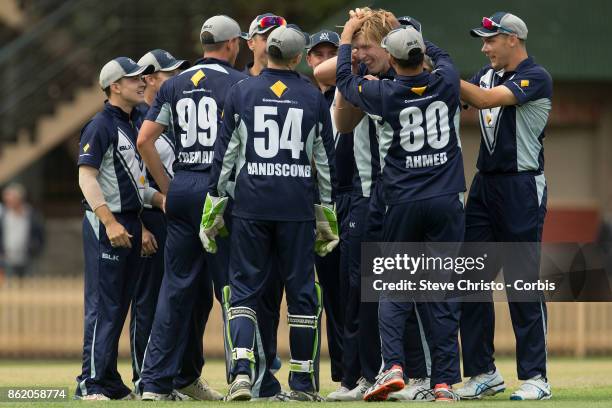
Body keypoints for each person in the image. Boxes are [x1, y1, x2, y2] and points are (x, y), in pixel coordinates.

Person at [201, 25, 337, 402]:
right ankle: (304, 383)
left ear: (269, 53)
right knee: (302, 293)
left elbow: (224, 156)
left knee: (243, 290)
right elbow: (324, 163)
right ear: (297, 58)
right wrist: (327, 216)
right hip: (296, 208)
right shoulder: (312, 96)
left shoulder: (241, 92)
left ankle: (241, 375)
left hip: (250, 207)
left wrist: (213, 208)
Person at [336, 15, 467, 402]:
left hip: (402, 202)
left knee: (395, 288)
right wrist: (421, 42)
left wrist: (347, 38)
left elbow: (343, 78)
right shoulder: (445, 81)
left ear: (391, 61)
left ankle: (392, 365)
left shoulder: (384, 94)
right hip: (446, 201)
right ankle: (443, 382)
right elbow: (442, 57)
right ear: (421, 55)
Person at [315, 8, 432, 402]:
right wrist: (350, 41)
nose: (358, 54)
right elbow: (326, 84)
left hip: (404, 196)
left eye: (367, 47)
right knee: (359, 293)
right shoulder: (359, 77)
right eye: (357, 47)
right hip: (365, 198)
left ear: (388, 46)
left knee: (403, 289)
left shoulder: (411, 75)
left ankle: (421, 376)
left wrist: (364, 35)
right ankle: (364, 376)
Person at [136, 15, 245, 401]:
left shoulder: (176, 84)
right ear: (232, 45)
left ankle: (154, 384)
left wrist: (169, 185)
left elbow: (145, 139)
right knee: (233, 288)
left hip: (182, 188)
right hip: (219, 190)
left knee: (175, 287)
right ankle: (243, 380)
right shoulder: (238, 83)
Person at [457, 12, 553, 401]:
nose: (484, 47)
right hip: (483, 186)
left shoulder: (536, 75)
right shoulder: (484, 73)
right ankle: (483, 373)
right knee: (468, 281)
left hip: (522, 186)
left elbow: (482, 100)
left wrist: (444, 74)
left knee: (521, 283)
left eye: (490, 40)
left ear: (512, 39)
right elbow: (468, 94)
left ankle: (536, 378)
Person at [74, 57, 164, 400]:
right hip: (105, 224)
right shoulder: (100, 126)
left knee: (120, 305)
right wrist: (110, 221)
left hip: (126, 222)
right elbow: (86, 178)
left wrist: (161, 204)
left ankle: (108, 380)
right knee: (104, 307)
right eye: (134, 79)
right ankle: (91, 383)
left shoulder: (130, 124)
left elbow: (133, 186)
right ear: (114, 86)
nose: (142, 83)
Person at [129, 49, 189, 395]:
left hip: (174, 216)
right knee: (149, 301)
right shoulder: (137, 120)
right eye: (168, 73)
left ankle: (172, 376)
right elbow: (132, 180)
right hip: (151, 216)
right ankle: (144, 378)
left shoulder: (173, 114)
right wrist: (142, 226)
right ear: (149, 78)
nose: (176, 78)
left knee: (176, 298)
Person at [306, 28, 350, 390]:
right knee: (324, 294)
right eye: (318, 54)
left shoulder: (350, 92)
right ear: (308, 59)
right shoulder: (303, 99)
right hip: (310, 206)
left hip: (347, 200)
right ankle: (334, 373)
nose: (324, 60)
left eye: (330, 53)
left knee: (350, 291)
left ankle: (351, 372)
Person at [0, 183, 45, 281]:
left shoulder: (32, 215)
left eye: (11, 199)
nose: (8, 202)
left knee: (29, 288)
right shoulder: (3, 216)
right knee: (10, 288)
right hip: (7, 259)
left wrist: (35, 248)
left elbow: (40, 236)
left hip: (28, 258)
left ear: (19, 199)